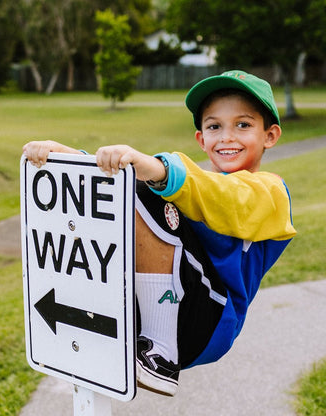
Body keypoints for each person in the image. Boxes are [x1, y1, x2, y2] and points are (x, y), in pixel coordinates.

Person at [23, 70, 296, 397]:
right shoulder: (196, 184)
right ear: (201, 138)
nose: (226, 137)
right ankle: (137, 331)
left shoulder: (272, 192)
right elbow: (133, 190)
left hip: (209, 317)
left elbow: (226, 196)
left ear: (270, 135)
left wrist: (158, 169)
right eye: (214, 126)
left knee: (145, 191)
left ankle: (161, 353)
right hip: (175, 297)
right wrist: (65, 157)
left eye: (243, 124)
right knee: (134, 193)